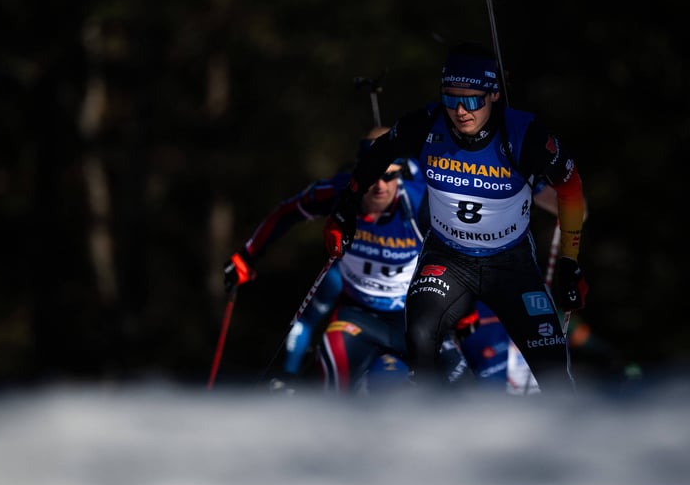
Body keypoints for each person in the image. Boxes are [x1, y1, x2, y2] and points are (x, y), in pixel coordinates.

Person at [324, 41, 589, 396]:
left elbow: (570, 189)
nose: (460, 110)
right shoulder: (428, 124)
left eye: (472, 99)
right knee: (420, 337)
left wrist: (571, 262)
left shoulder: (523, 134)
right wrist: (345, 207)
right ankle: (434, 433)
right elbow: (379, 152)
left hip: (510, 263)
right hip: (448, 258)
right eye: (451, 98)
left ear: (494, 94)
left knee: (553, 366)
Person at [224, 136, 465, 394]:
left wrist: (462, 304)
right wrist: (246, 256)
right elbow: (288, 211)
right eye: (373, 175)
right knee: (332, 378)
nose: (380, 185)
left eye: (390, 176)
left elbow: (460, 249)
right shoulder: (339, 192)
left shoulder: (420, 204)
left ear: (401, 176)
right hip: (357, 315)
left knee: (461, 383)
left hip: (412, 317)